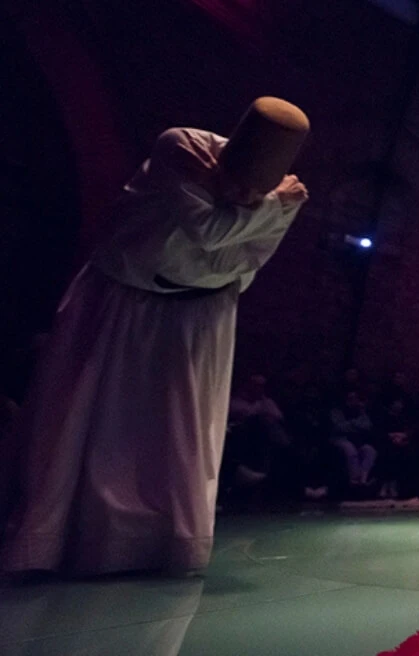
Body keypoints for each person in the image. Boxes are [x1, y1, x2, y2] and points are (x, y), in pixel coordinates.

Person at [0, 97, 309, 575]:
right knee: (84, 418)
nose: (245, 201)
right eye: (239, 189)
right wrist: (268, 208)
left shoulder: (286, 196)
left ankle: (165, 546)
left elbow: (238, 262)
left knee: (178, 435)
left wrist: (256, 210)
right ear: (221, 163)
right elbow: (208, 231)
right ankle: (59, 539)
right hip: (123, 299)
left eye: (256, 194)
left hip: (198, 317)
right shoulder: (181, 147)